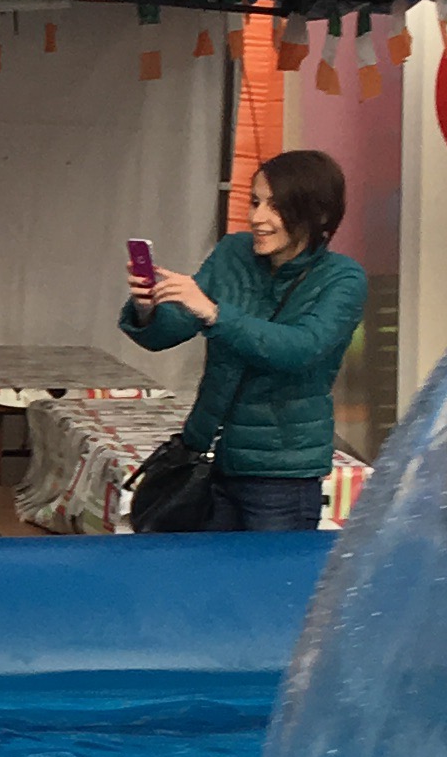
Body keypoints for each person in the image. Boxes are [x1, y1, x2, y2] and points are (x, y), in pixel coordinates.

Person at [121, 150, 365, 531]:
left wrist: (215, 313)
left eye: (276, 207)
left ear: (318, 214)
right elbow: (172, 329)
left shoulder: (343, 278)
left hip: (281, 475)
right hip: (208, 458)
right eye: (255, 202)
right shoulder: (233, 252)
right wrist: (147, 308)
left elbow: (301, 348)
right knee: (196, 568)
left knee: (271, 571)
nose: (257, 218)